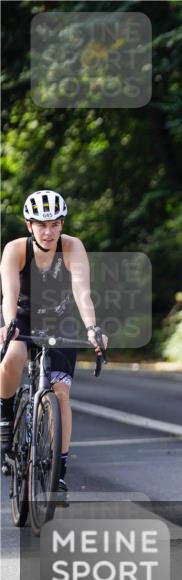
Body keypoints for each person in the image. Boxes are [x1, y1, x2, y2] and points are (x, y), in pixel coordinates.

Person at [0, 190, 108, 503]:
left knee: (61, 391)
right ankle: (5, 418)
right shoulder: (15, 249)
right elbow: (9, 294)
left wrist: (92, 328)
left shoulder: (72, 247)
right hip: (21, 314)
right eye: (41, 225)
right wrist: (9, 325)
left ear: (61, 225)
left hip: (60, 319)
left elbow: (82, 292)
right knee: (13, 357)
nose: (48, 231)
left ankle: (58, 474)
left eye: (54, 224)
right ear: (28, 225)